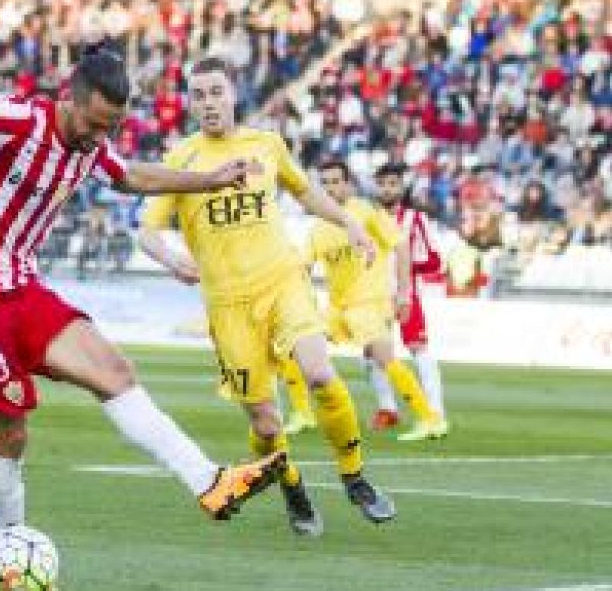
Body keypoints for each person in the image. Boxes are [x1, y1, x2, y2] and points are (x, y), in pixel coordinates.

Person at [0, 44, 285, 535]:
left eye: (110, 128)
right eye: (93, 124)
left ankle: (209, 482)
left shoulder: (90, 146)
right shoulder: (18, 121)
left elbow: (131, 174)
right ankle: (8, 552)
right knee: (9, 434)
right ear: (71, 98)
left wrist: (209, 181)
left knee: (114, 370)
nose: (99, 138)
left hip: (19, 288)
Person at [138, 56, 395, 538]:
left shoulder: (266, 144)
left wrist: (349, 220)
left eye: (217, 92)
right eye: (199, 95)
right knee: (265, 420)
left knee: (319, 372)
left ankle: (355, 475)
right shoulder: (180, 160)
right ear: (190, 104)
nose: (210, 103)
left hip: (283, 281)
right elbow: (147, 232)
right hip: (227, 305)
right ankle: (292, 486)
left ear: (233, 94)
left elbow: (306, 193)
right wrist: (172, 260)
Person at [280, 160, 445, 443]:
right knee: (294, 347)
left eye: (336, 181)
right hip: (337, 307)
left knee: (384, 359)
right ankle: (303, 414)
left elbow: (400, 245)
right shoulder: (320, 226)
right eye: (326, 182)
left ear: (348, 183)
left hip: (370, 301)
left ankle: (431, 419)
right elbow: (304, 266)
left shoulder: (366, 212)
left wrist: (404, 292)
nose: (331, 188)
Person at [369, 162, 449, 434]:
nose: (387, 189)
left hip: (406, 294)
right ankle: (387, 408)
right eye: (382, 184)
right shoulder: (368, 218)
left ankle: (435, 410)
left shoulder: (415, 219)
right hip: (373, 296)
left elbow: (434, 260)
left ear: (402, 187)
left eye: (392, 184)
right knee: (373, 353)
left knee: (418, 349)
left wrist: (405, 266)